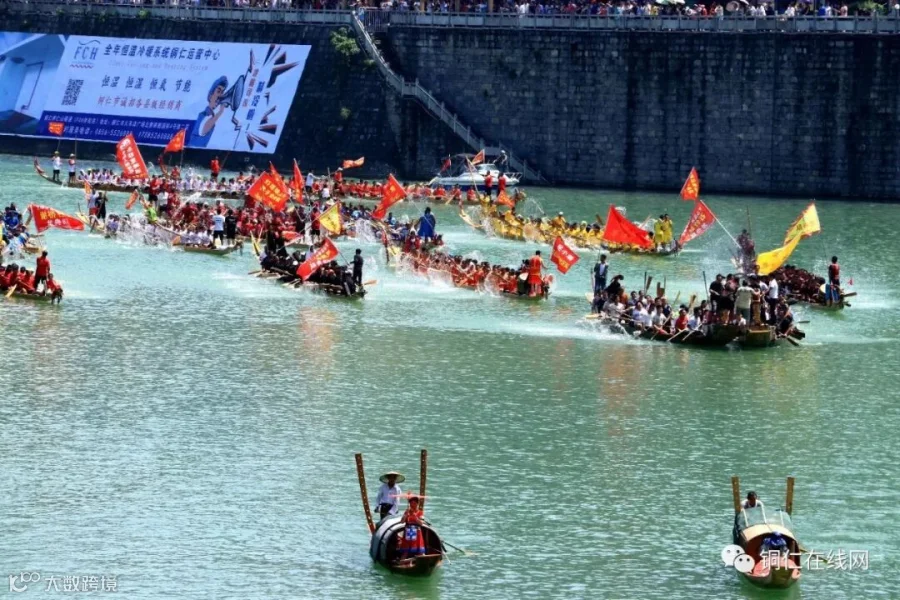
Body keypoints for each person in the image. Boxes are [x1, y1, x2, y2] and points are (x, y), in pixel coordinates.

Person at [397, 495, 426, 560]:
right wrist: (406, 515)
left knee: (420, 551)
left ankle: (423, 560)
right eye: (411, 503)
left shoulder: (420, 512)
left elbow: (421, 523)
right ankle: (402, 561)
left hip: (417, 532)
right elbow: (402, 521)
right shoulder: (407, 511)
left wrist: (415, 516)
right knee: (405, 552)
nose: (412, 505)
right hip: (408, 532)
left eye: (414, 503)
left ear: (417, 504)